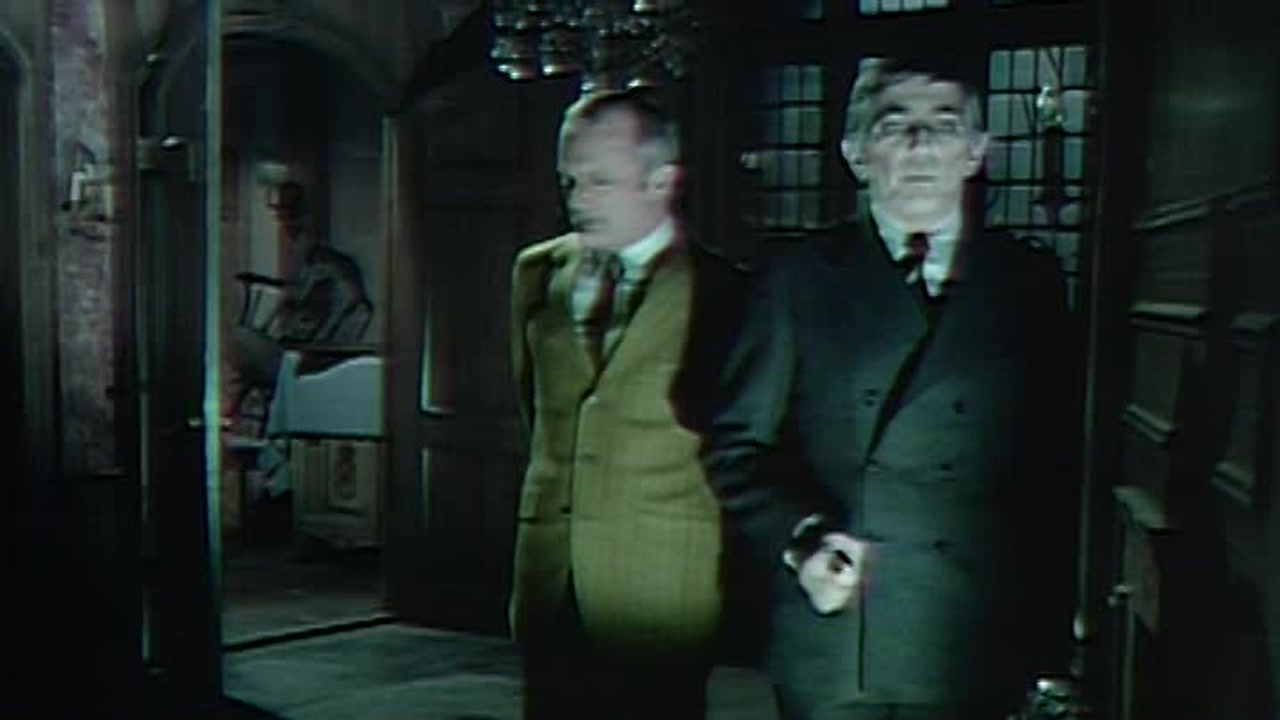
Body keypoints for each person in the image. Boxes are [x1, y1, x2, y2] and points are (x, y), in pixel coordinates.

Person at [696, 56, 1080, 720]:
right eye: (894, 124)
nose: (920, 144)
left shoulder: (1028, 283)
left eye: (944, 124)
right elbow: (734, 446)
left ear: (976, 152)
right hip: (840, 639)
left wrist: (1053, 635)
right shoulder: (798, 280)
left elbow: (1058, 473)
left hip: (975, 639)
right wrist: (801, 540)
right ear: (856, 153)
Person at [507, 88, 738, 720]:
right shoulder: (535, 273)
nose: (578, 199)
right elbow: (536, 407)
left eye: (599, 182)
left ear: (662, 181)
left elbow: (738, 447)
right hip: (550, 578)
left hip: (661, 586)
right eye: (569, 181)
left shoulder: (722, 290)